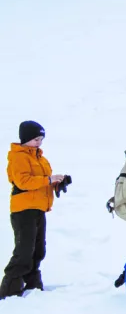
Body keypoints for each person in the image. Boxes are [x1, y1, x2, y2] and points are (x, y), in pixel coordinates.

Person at [1, 121, 68, 299]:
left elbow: (42, 182)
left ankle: (33, 285)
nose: (39, 142)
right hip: (23, 210)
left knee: (38, 250)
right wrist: (49, 180)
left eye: (41, 139)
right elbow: (23, 182)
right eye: (36, 139)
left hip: (38, 208)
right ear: (25, 138)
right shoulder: (18, 157)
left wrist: (57, 183)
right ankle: (9, 291)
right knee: (24, 250)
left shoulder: (40, 158)